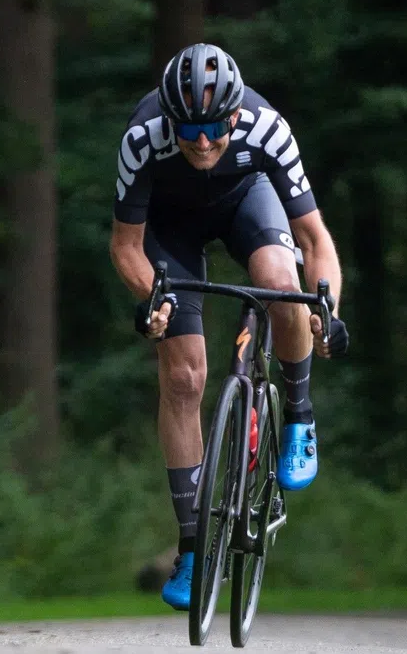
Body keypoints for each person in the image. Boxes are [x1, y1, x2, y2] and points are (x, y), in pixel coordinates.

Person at [109, 43, 348, 611]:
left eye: (215, 126)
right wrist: (152, 298)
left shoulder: (268, 130)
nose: (201, 140)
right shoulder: (142, 140)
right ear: (169, 118)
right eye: (188, 127)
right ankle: (192, 548)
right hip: (170, 228)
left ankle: (298, 415)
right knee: (184, 376)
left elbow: (315, 240)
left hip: (246, 202)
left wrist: (330, 312)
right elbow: (126, 246)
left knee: (281, 282)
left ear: (236, 116)